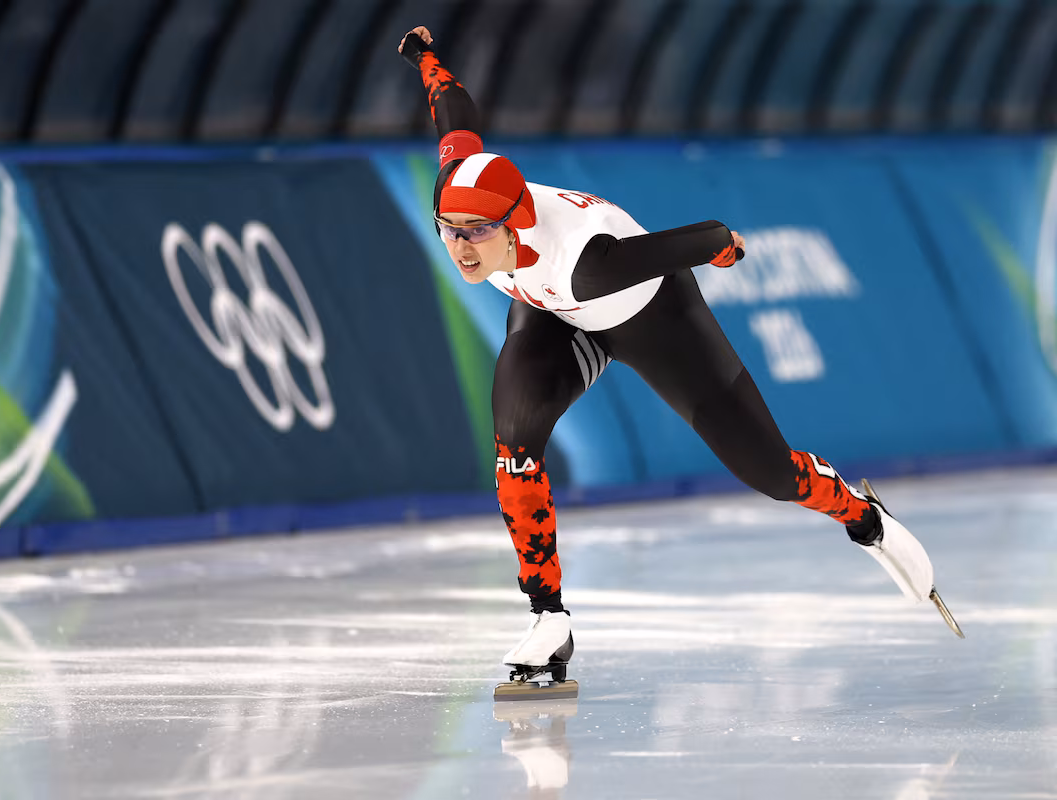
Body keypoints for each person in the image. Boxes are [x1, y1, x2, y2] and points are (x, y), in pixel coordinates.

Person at [396, 26, 960, 689]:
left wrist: (724, 245)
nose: (461, 249)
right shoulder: (463, 182)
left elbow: (688, 242)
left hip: (650, 316)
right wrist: (426, 57)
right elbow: (454, 113)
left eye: (477, 234)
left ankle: (862, 515)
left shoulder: (584, 260)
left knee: (771, 474)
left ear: (513, 224)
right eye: (450, 232)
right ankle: (548, 619)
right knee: (515, 450)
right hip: (553, 313)